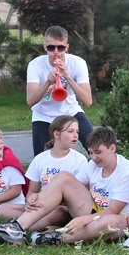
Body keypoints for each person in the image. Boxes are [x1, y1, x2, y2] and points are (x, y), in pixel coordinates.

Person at [0, 127, 129, 246]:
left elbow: (112, 210)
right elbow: (72, 190)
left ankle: (54, 238)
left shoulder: (127, 171)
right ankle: (17, 228)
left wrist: (83, 219)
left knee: (113, 222)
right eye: (90, 152)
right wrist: (39, 198)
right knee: (64, 177)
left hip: (119, 219)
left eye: (98, 152)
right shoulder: (93, 165)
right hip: (92, 210)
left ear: (112, 148)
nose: (93, 157)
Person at [0, 116, 87, 223]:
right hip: (41, 204)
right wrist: (31, 199)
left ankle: (22, 225)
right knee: (3, 209)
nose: (75, 135)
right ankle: (38, 223)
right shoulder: (40, 159)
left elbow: (79, 195)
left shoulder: (79, 159)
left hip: (63, 207)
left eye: (77, 131)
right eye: (70, 131)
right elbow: (32, 191)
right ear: (56, 134)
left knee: (57, 212)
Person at [27, 25, 93, 156]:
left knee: (94, 144)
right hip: (43, 115)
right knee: (40, 157)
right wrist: (47, 83)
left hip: (70, 112)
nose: (56, 52)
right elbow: (30, 101)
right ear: (45, 47)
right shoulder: (35, 64)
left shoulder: (78, 63)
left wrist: (67, 77)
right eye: (51, 48)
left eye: (60, 48)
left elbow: (87, 101)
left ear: (67, 47)